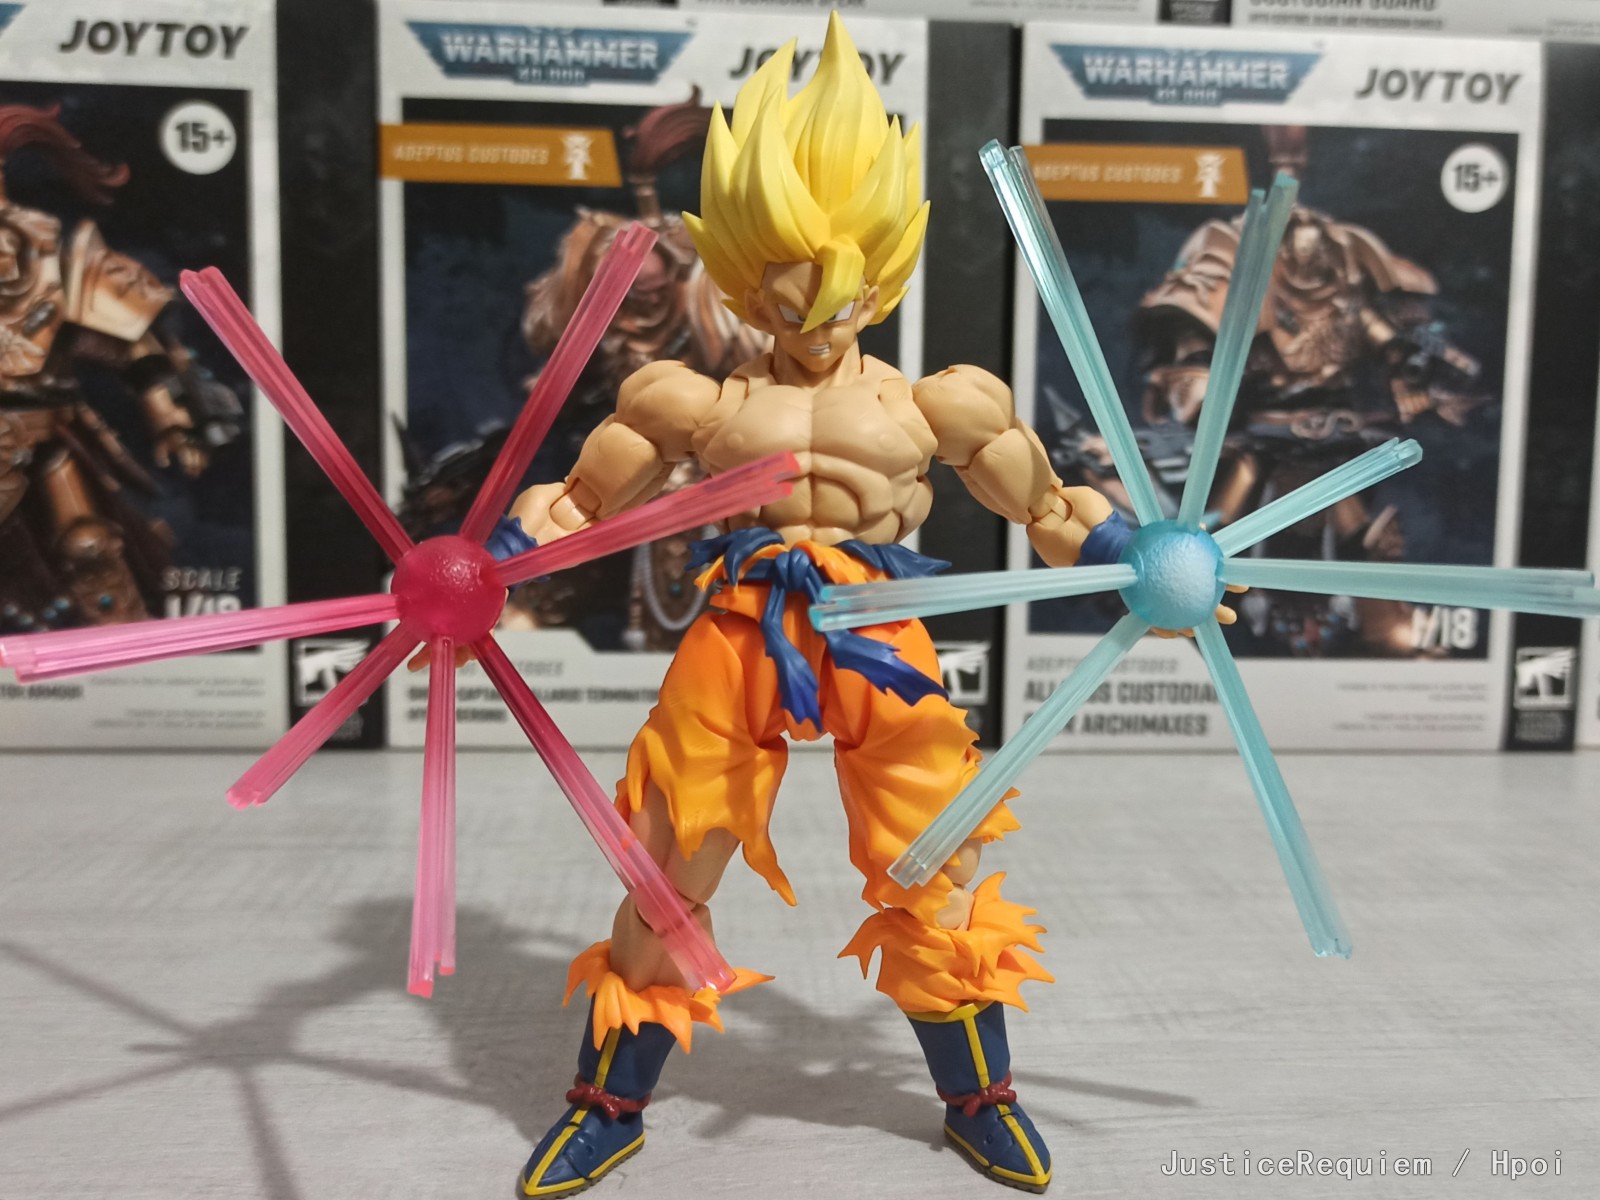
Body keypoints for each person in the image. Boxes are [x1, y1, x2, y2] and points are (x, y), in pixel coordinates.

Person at [503, 16, 1191, 1194]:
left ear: (881, 274)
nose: (814, 326)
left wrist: (1143, 555)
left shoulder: (936, 404)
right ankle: (607, 1103)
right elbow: (574, 505)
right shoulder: (694, 401)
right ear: (741, 282)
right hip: (741, 625)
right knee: (667, 871)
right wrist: (486, 562)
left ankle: (979, 1098)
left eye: (838, 298)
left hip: (876, 628)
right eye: (786, 301)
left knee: (937, 866)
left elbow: (1050, 510)